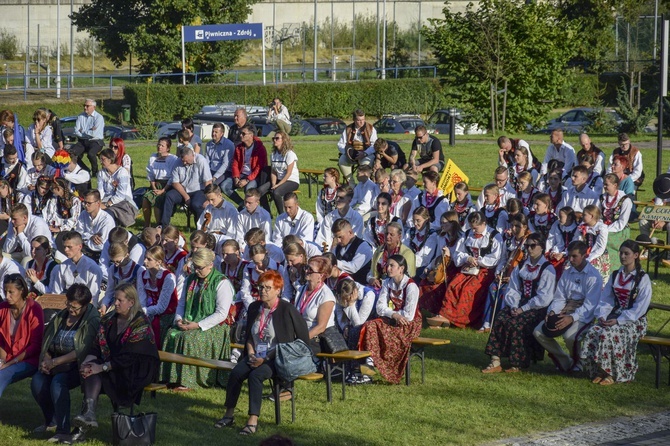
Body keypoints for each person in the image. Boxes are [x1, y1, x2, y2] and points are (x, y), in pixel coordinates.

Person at [215, 270, 309, 436]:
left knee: (256, 376)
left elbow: (299, 340)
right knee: (236, 372)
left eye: (268, 288)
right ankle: (229, 415)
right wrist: (251, 354)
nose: (263, 291)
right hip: (255, 354)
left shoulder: (287, 309)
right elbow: (250, 336)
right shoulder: (254, 307)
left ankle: (252, 420)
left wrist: (265, 358)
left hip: (277, 358)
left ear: (278, 290)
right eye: (260, 287)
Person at [72, 283, 159, 441]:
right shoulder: (109, 320)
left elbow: (131, 357)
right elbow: (96, 346)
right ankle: (88, 415)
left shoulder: (141, 323)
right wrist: (89, 361)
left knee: (98, 373)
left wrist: (103, 367)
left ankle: (83, 424)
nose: (116, 303)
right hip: (115, 363)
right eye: (115, 299)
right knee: (90, 370)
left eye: (120, 300)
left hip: (136, 369)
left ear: (131, 302)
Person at [30, 284, 99, 443]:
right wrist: (46, 359)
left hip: (76, 365)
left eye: (75, 308)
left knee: (57, 383)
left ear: (85, 306)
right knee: (37, 382)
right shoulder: (61, 316)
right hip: (54, 361)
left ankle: (63, 430)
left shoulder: (92, 320)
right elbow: (47, 339)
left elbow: (82, 350)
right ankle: (51, 420)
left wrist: (55, 362)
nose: (71, 310)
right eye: (69, 305)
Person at [580, 240, 651, 385]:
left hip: (635, 321)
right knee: (594, 330)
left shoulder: (643, 278)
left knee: (609, 333)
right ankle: (599, 370)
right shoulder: (615, 275)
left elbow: (640, 308)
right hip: (615, 316)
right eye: (621, 253)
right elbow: (606, 299)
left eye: (627, 253)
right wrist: (602, 316)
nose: (623, 256)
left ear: (636, 255)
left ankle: (614, 373)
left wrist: (619, 320)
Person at [482, 233, 556, 374]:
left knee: (518, 323)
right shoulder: (521, 265)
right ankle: (495, 360)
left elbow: (544, 297)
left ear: (541, 247)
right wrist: (514, 306)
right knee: (501, 318)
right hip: (520, 303)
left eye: (533, 246)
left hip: (537, 307)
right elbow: (513, 289)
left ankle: (518, 362)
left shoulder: (547, 268)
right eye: (527, 246)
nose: (529, 249)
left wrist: (524, 309)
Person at [163, 248, 234, 389]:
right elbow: (182, 303)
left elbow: (221, 313)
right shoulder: (191, 279)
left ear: (210, 265)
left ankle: (189, 381)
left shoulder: (221, 282)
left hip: (214, 326)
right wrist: (178, 319)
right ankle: (170, 377)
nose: (196, 271)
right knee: (171, 333)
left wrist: (198, 325)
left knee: (190, 339)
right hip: (190, 320)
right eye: (195, 267)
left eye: (200, 268)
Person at [423, 211, 503, 329]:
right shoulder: (467, 235)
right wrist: (467, 258)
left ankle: (457, 319)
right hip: (468, 268)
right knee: (454, 285)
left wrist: (478, 261)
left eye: (476, 228)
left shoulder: (494, 236)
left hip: (485, 271)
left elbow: (496, 258)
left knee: (468, 289)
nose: (474, 231)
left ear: (484, 224)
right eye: (472, 228)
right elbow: (458, 254)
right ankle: (444, 316)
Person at [533, 241, 603, 373]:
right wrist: (553, 311)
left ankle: (579, 363)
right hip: (565, 309)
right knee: (538, 332)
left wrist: (572, 317)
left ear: (584, 255)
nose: (570, 260)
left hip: (584, 313)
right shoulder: (567, 273)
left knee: (570, 336)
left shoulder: (594, 276)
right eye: (569, 256)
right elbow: (560, 297)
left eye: (574, 256)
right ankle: (565, 360)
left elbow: (590, 304)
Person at [360, 255, 421, 384]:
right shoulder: (387, 283)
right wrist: (394, 315)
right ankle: (367, 371)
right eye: (387, 265)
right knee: (370, 326)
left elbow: (409, 315)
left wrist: (394, 315)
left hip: (409, 324)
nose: (388, 268)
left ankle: (378, 370)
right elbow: (380, 308)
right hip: (394, 319)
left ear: (401, 269)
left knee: (385, 334)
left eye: (392, 265)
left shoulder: (411, 286)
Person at [0, 274, 44, 399]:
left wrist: (10, 363)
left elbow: (36, 346)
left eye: (11, 292)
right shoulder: (2, 308)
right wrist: (2, 360)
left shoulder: (34, 309)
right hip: (6, 357)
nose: (7, 296)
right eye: (5, 291)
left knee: (1, 375)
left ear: (22, 291)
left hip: (27, 359)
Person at [161, 145, 212, 227]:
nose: (184, 163)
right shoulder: (177, 162)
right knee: (169, 196)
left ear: (192, 155)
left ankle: (201, 227)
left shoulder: (201, 160)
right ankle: (164, 226)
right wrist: (186, 196)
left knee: (196, 204)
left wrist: (208, 198)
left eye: (186, 161)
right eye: (183, 161)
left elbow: (207, 181)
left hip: (198, 190)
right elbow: (175, 182)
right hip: (183, 189)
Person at [138, 245, 178, 345]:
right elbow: (142, 299)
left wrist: (144, 312)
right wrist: (141, 311)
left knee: (154, 325)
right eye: (145, 258)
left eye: (149, 259)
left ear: (158, 262)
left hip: (168, 313)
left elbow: (162, 307)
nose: (145, 261)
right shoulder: (143, 275)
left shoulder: (168, 277)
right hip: (151, 311)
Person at [295, 256, 336, 354]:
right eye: (306, 268)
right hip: (300, 337)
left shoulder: (326, 295)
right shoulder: (301, 290)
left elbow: (321, 327)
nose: (306, 271)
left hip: (316, 340)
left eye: (310, 269)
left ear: (321, 275)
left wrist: (300, 340)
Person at [50, 231, 103, 299]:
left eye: (69, 247)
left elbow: (93, 296)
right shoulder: (62, 266)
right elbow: (56, 292)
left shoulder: (92, 268)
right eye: (64, 247)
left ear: (80, 246)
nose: (66, 250)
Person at [227, 124, 269, 207]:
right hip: (242, 174)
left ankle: (251, 208)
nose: (240, 135)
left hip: (255, 176)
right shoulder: (239, 148)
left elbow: (258, 168)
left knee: (248, 189)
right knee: (225, 186)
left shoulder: (260, 148)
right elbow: (235, 164)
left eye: (243, 133)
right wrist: (236, 177)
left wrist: (247, 180)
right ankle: (242, 204)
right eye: (240, 133)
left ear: (251, 135)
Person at [98, 243, 144, 315]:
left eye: (118, 261)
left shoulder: (139, 270)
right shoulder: (112, 268)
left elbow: (141, 295)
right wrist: (104, 304)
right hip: (116, 303)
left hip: (133, 305)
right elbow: (110, 291)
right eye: (113, 261)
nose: (116, 264)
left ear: (127, 255)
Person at [97, 148, 138, 227]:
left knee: (108, 212)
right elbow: (100, 190)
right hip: (107, 199)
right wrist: (98, 202)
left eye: (103, 159)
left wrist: (107, 204)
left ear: (110, 159)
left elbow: (121, 195)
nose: (100, 162)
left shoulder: (122, 172)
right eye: (100, 159)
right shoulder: (101, 173)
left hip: (124, 201)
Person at [143, 137, 178, 228]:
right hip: (155, 185)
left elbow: (172, 177)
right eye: (159, 144)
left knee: (157, 201)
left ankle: (159, 225)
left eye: (162, 145)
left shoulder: (173, 159)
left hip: (167, 186)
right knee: (146, 199)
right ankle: (147, 224)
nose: (159, 147)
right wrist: (154, 187)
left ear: (168, 148)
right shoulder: (153, 157)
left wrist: (163, 190)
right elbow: (150, 174)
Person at [600, 173, 633, 271]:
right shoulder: (602, 198)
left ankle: (613, 269)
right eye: (604, 184)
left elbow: (621, 223)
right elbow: (598, 215)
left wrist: (606, 230)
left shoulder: (625, 200)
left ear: (615, 185)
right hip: (603, 228)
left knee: (606, 241)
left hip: (618, 231)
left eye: (607, 185)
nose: (604, 187)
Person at [368, 222, 416, 288]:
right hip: (377, 287)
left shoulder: (407, 253)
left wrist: (384, 284)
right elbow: (371, 273)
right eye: (386, 233)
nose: (388, 236)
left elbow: (406, 279)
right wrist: (371, 279)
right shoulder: (379, 250)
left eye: (391, 234)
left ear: (399, 237)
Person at [337, 109, 378, 186]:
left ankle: (363, 185)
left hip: (366, 154)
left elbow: (374, 145)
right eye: (359, 120)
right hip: (351, 155)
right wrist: (347, 153)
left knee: (365, 166)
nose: (361, 122)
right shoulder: (348, 129)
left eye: (363, 119)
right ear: (354, 120)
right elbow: (340, 144)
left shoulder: (371, 128)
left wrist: (365, 153)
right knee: (342, 160)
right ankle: (352, 184)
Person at [75, 190, 116, 262]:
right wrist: (90, 237)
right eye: (84, 202)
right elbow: (77, 234)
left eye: (89, 203)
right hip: (84, 249)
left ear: (98, 203)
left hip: (101, 255)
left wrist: (83, 239)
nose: (85, 205)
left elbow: (100, 245)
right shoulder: (83, 214)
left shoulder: (107, 221)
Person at [197, 183, 239, 250]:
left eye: (212, 199)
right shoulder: (209, 208)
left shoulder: (231, 210)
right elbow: (200, 225)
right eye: (208, 200)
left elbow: (232, 233)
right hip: (208, 241)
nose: (210, 202)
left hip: (223, 243)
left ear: (220, 195)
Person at [331, 218, 373, 284]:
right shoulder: (338, 246)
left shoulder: (363, 246)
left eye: (340, 237)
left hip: (360, 287)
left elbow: (353, 268)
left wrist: (334, 262)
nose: (338, 240)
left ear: (350, 232)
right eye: (336, 237)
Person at [576, 204, 610, 283]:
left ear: (591, 216)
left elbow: (600, 247)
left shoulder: (601, 228)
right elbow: (576, 241)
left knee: (593, 270)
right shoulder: (582, 227)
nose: (582, 217)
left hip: (597, 255)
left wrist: (589, 258)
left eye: (584, 215)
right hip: (583, 253)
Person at [71, 99, 105, 176]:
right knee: (72, 153)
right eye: (84, 105)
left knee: (91, 154)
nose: (85, 107)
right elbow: (76, 131)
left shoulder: (99, 118)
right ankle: (85, 169)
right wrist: (87, 132)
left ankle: (95, 171)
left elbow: (94, 134)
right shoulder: (80, 116)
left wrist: (82, 131)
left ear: (94, 107)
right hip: (82, 141)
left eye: (87, 106)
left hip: (95, 141)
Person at [403, 206, 438, 278]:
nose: (415, 223)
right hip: (407, 264)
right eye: (413, 220)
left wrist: (409, 262)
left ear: (426, 220)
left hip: (422, 268)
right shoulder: (411, 231)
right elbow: (403, 249)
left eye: (418, 220)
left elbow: (425, 259)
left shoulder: (432, 235)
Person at [205, 123, 235, 188]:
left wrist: (215, 177)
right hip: (211, 169)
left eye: (216, 132)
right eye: (212, 131)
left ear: (222, 133)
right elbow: (207, 161)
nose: (213, 134)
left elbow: (225, 164)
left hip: (224, 172)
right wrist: (206, 175)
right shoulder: (209, 144)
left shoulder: (228, 145)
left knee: (212, 186)